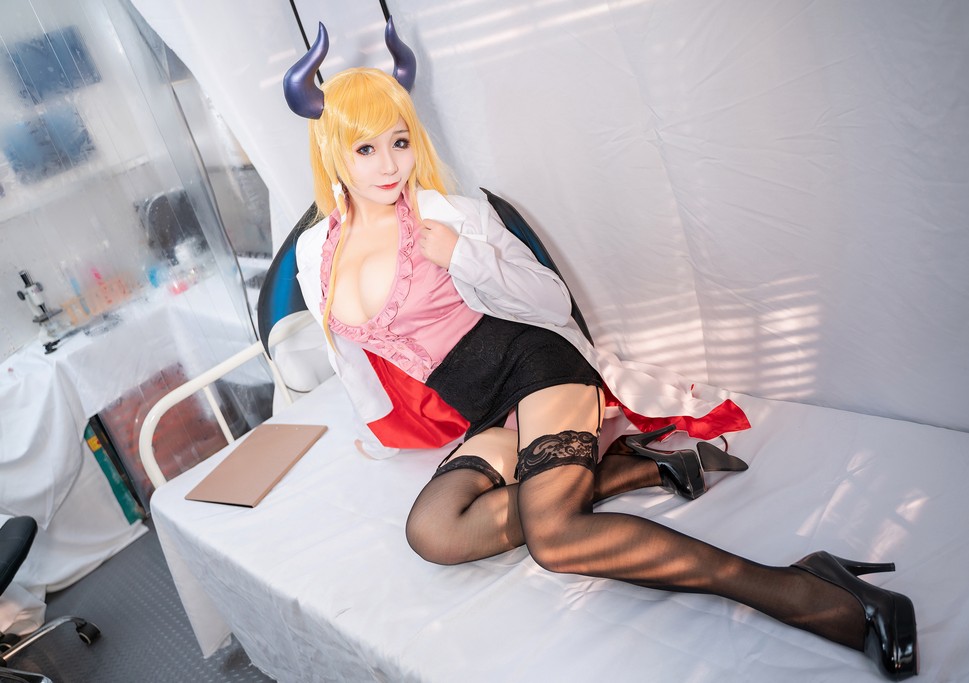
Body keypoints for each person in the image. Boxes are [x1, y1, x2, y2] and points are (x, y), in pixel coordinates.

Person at [283, 30, 918, 680]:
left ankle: (812, 591)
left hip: (536, 366)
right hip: (485, 407)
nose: (389, 164)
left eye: (399, 141)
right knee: (435, 531)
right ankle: (626, 468)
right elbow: (349, 356)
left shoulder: (448, 217)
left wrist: (464, 255)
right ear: (333, 151)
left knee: (555, 537)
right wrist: (380, 431)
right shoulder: (315, 254)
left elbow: (550, 299)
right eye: (366, 148)